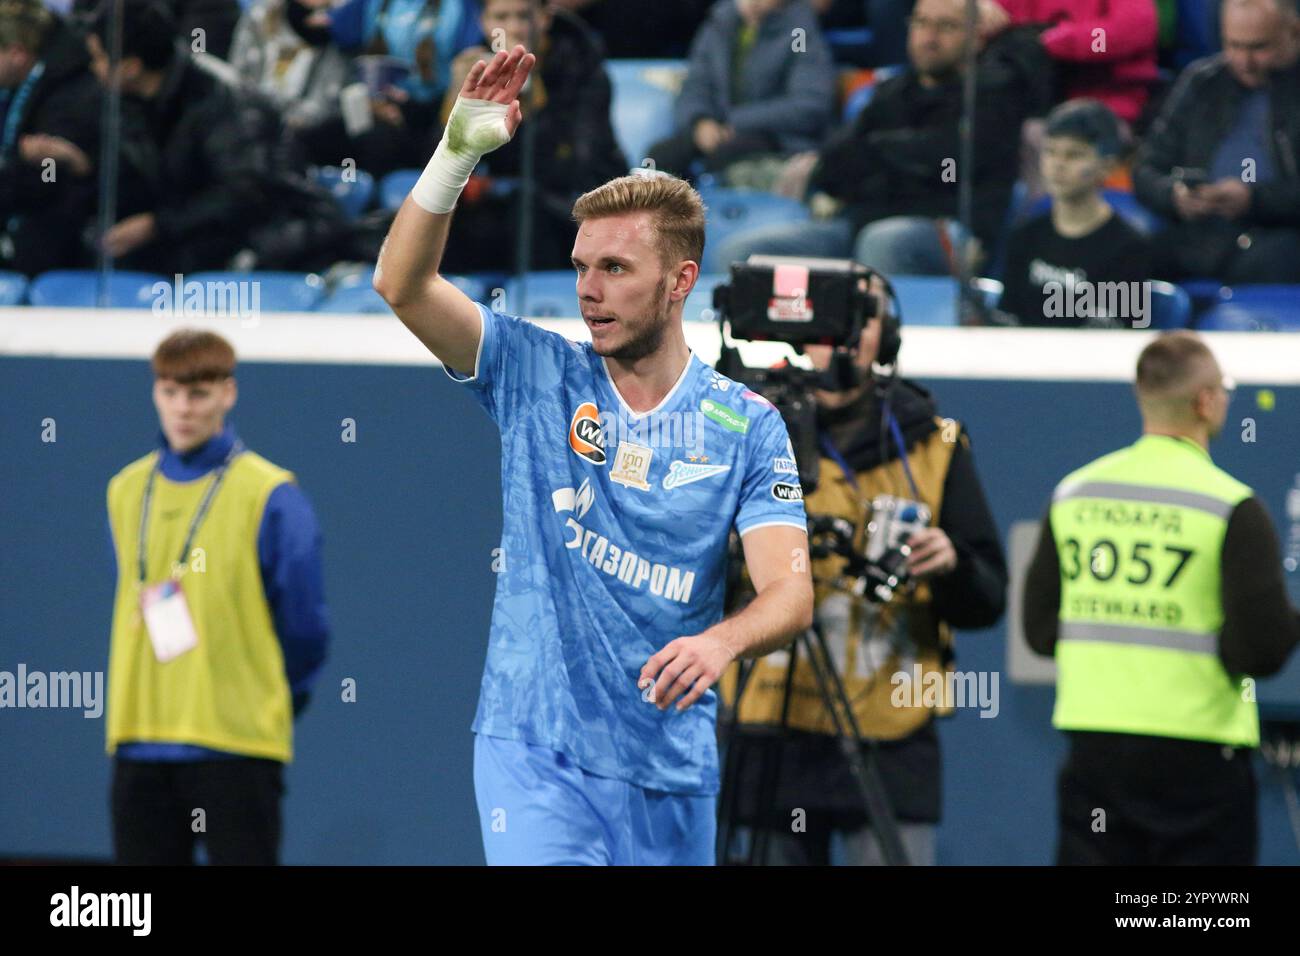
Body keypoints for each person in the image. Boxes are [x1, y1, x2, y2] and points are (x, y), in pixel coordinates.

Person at [373, 46, 815, 866]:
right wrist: (458, 151)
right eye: (581, 267)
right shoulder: (535, 372)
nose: (589, 290)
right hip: (533, 749)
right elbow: (401, 285)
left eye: (615, 268)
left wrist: (720, 643)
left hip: (669, 771)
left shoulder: (746, 424)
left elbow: (790, 593)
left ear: (680, 281)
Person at [724, 275, 1006, 865]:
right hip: (769, 725)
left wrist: (950, 564)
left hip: (891, 735)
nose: (842, 338)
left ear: (888, 335)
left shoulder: (936, 443)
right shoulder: (744, 430)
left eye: (861, 318)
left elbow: (988, 601)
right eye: (829, 320)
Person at [1022, 330, 1300, 865]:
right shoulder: (1231, 505)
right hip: (1199, 757)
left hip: (1095, 750)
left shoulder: (1077, 493)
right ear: (1205, 401)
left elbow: (1039, 631)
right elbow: (1262, 652)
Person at [106, 329, 330, 865]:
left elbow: (306, 629)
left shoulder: (273, 495)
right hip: (139, 738)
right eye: (170, 391)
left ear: (227, 393)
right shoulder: (124, 489)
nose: (183, 407)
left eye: (199, 393)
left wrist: (269, 698)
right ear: (155, 393)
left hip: (237, 745)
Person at [713, 0, 1052, 276]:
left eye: (946, 26)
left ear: (977, 37)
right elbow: (834, 165)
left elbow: (947, 161)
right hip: (861, 223)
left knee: (883, 243)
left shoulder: (994, 94)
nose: (929, 36)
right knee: (742, 253)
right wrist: (896, 156)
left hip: (950, 230)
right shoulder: (889, 93)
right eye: (921, 23)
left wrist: (880, 153)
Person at [85, 0, 352, 272]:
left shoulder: (223, 98)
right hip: (192, 242)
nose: (93, 68)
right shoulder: (127, 104)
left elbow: (246, 193)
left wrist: (156, 226)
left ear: (131, 67)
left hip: (266, 241)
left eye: (98, 58)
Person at [435, 0, 627, 273]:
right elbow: (436, 165)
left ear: (545, 18)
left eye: (523, 17)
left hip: (574, 203)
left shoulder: (580, 65)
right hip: (498, 205)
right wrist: (455, 104)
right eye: (501, 17)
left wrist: (531, 101)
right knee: (451, 210)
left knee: (525, 209)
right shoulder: (476, 66)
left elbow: (574, 165)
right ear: (483, 21)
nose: (513, 28)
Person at [1134, 0, 1300, 284]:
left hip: (1278, 236)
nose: (1244, 62)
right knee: (1123, 257)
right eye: (1233, 46)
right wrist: (1174, 196)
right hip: (1199, 233)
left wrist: (1253, 200)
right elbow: (1146, 168)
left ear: (1294, 32)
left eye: (1258, 48)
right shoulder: (1201, 82)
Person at [997, 99, 1152, 328]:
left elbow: (1123, 335)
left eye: (1074, 155)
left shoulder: (1129, 248)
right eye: (1050, 152)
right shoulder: (1024, 236)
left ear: (1107, 166)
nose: (1058, 164)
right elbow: (1007, 318)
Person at [644, 0, 835, 181]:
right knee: (661, 157)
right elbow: (696, 84)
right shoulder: (720, 24)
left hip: (776, 138)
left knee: (725, 156)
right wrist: (699, 122)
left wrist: (735, 123)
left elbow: (809, 104)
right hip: (717, 130)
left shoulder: (800, 32)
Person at [0, 0, 101, 275]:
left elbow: (47, 179)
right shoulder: (15, 85)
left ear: (17, 54)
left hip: (53, 248)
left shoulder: (70, 93)